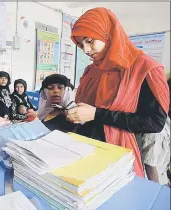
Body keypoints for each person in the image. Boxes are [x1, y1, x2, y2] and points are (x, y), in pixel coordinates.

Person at [66, 8, 170, 178]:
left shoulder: (144, 69)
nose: (85, 49)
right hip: (83, 148)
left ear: (108, 34)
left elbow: (154, 122)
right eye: (80, 44)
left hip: (117, 154)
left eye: (90, 41)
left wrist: (97, 114)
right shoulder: (91, 70)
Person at [141, 117, 170, 184]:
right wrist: (157, 190)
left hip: (163, 177)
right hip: (154, 181)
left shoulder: (167, 123)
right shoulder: (159, 131)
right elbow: (150, 165)